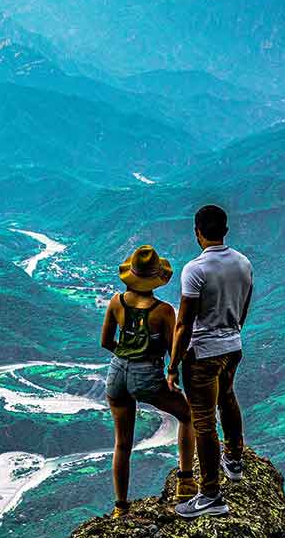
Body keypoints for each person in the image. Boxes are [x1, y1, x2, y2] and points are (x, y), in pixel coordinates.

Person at [167, 205, 253, 519]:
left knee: (203, 423)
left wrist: (173, 363)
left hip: (202, 353)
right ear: (225, 231)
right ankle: (234, 458)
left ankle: (211, 495)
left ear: (197, 232)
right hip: (233, 346)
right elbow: (244, 306)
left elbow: (184, 323)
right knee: (227, 398)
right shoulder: (243, 263)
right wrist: (233, 331)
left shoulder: (195, 269)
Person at [101, 244, 197, 518]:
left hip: (117, 372)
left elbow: (106, 341)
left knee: (122, 443)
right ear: (156, 278)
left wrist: (126, 354)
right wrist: (171, 371)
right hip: (146, 375)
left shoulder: (116, 302)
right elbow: (173, 351)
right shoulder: (163, 311)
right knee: (187, 415)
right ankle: (186, 481)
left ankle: (120, 507)